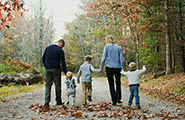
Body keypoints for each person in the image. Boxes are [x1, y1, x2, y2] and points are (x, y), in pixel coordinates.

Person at [99, 35, 124, 106]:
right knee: (118, 83)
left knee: (111, 83)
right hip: (117, 67)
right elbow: (121, 58)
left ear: (107, 40)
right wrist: (122, 67)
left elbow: (103, 57)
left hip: (109, 67)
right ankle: (118, 99)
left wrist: (101, 66)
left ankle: (114, 101)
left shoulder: (106, 47)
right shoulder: (119, 47)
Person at [42, 39, 67, 107]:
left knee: (48, 85)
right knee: (57, 85)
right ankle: (58, 101)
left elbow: (43, 58)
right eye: (63, 45)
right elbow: (63, 62)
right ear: (61, 43)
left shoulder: (48, 48)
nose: (62, 47)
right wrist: (65, 72)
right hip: (56, 69)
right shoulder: (60, 50)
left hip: (48, 69)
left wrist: (46, 66)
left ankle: (46, 102)